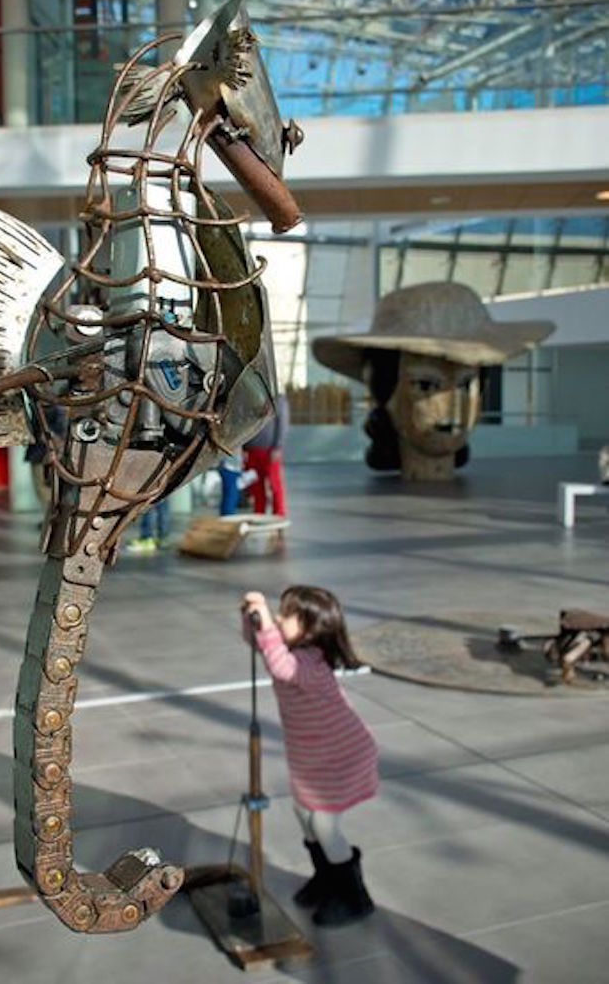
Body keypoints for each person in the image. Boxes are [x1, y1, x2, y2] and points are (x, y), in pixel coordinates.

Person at [241, 585, 377, 927]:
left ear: (312, 627)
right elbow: (261, 645)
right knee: (304, 812)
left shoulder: (310, 663)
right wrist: (253, 619)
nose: (280, 618)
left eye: (288, 615)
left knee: (323, 823)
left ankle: (353, 896)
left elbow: (281, 667)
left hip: (341, 755)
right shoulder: (289, 650)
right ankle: (327, 876)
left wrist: (267, 622)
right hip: (314, 756)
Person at [242, 393, 289, 516]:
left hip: (270, 452)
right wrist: (243, 448)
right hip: (251, 451)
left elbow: (282, 425)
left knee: (274, 486)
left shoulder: (278, 400)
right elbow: (244, 425)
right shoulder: (249, 398)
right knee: (256, 488)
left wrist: (278, 447)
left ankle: (279, 517)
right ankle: (259, 515)